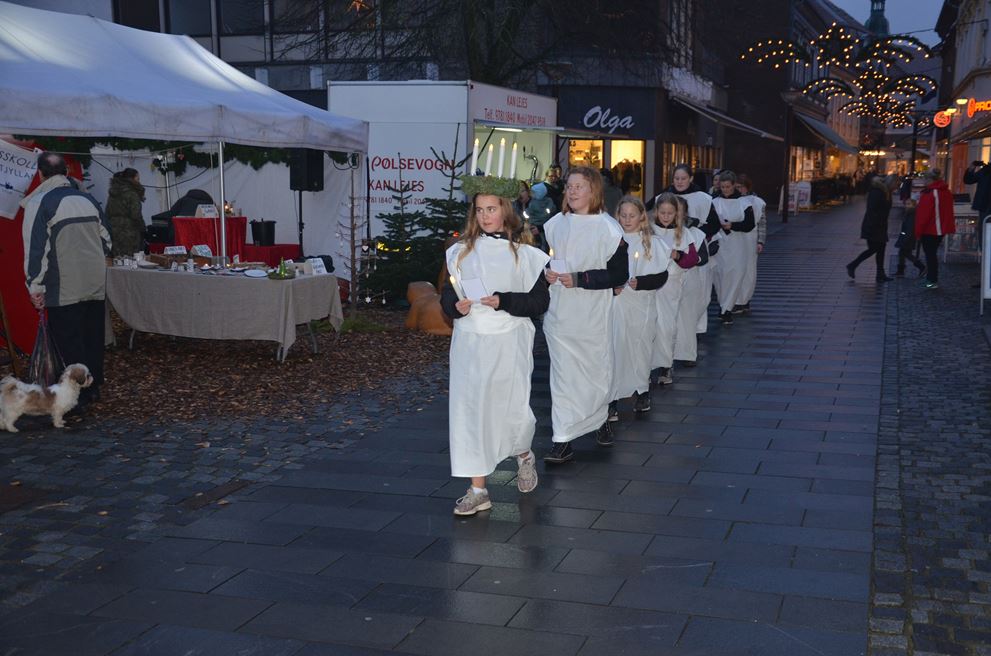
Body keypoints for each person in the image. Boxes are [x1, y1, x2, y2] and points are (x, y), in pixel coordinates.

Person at [440, 180, 550, 516]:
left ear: (505, 209)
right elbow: (449, 292)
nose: (486, 216)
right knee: (470, 411)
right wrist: (453, 306)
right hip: (471, 340)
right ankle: (477, 489)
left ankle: (523, 455)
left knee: (510, 407)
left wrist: (504, 300)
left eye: (492, 208)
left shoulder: (526, 254)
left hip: (508, 339)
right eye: (480, 210)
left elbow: (538, 301)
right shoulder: (461, 251)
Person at [542, 166, 628, 464]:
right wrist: (547, 273)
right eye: (569, 186)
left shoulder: (608, 228)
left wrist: (580, 279)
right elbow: (546, 260)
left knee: (593, 372)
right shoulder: (554, 224)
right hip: (560, 314)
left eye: (580, 186)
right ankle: (562, 438)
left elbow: (619, 274)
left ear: (594, 191)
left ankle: (599, 417)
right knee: (563, 377)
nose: (572, 191)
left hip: (591, 314)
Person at [21, 152, 111, 409]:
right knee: (92, 336)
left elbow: (35, 251)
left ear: (41, 174)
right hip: (94, 280)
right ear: (67, 172)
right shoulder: (88, 200)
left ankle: (76, 398)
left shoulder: (40, 202)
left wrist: (35, 286)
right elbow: (107, 240)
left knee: (69, 340)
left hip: (63, 283)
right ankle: (93, 388)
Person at [608, 196, 669, 421]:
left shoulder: (652, 242)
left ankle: (641, 390)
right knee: (616, 348)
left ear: (642, 216)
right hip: (617, 305)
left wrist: (641, 282)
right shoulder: (611, 239)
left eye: (631, 215)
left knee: (640, 346)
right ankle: (612, 396)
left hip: (641, 303)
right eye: (623, 215)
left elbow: (662, 275)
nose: (626, 220)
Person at [651, 193, 700, 384]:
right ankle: (646, 366)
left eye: (669, 213)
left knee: (666, 325)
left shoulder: (683, 233)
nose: (665, 216)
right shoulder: (649, 231)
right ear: (656, 212)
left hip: (671, 284)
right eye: (662, 212)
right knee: (649, 326)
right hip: (649, 283)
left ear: (676, 214)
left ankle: (665, 364)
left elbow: (692, 259)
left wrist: (677, 255)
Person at [710, 171, 755, 325]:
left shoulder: (744, 203)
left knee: (736, 275)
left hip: (738, 245)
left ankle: (727, 309)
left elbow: (749, 225)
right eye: (722, 187)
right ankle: (724, 305)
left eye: (728, 187)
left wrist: (732, 225)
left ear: (734, 185)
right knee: (720, 276)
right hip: (721, 245)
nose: (725, 190)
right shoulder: (714, 202)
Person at [670, 195, 710, 368]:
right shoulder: (657, 232)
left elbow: (704, 257)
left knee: (687, 317)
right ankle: (665, 354)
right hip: (667, 281)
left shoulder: (695, 233)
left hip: (689, 278)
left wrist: (690, 259)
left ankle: (686, 352)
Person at [846, 174, 899, 283]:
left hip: (879, 225)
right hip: (874, 225)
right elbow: (873, 210)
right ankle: (853, 265)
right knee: (874, 249)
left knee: (881, 249)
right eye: (896, 185)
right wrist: (876, 224)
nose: (896, 188)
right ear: (891, 183)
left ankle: (880, 274)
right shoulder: (878, 192)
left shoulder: (885, 192)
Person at [914, 169, 955, 289]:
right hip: (940, 228)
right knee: (932, 254)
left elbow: (923, 215)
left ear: (930, 180)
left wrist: (918, 231)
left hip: (930, 229)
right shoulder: (946, 191)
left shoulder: (930, 193)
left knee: (930, 255)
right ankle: (932, 279)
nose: (924, 181)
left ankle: (932, 280)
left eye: (925, 179)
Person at [735, 174, 765, 314]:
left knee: (749, 270)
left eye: (740, 187)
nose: (738, 190)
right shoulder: (732, 201)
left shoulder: (757, 202)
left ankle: (744, 300)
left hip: (750, 239)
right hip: (736, 239)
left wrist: (760, 241)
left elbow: (762, 224)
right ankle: (737, 300)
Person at [106, 168, 146, 257]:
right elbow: (136, 215)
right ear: (132, 179)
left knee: (117, 259)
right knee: (130, 259)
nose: (139, 181)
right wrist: (143, 229)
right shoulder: (132, 194)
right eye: (138, 178)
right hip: (129, 232)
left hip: (114, 230)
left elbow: (107, 212)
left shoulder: (113, 193)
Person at [894, 198, 926, 278]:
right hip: (906, 237)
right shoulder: (909, 213)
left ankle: (921, 267)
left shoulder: (911, 213)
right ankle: (901, 271)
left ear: (914, 205)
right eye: (906, 204)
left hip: (908, 237)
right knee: (904, 254)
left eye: (909, 204)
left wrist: (905, 238)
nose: (907, 206)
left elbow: (910, 228)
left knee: (905, 254)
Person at [963, 160, 991, 250]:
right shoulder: (985, 170)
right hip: (985, 206)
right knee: (984, 230)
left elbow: (969, 180)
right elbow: (969, 180)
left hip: (985, 205)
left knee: (984, 230)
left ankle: (985, 256)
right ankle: (985, 255)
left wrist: (972, 167)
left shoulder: (985, 170)